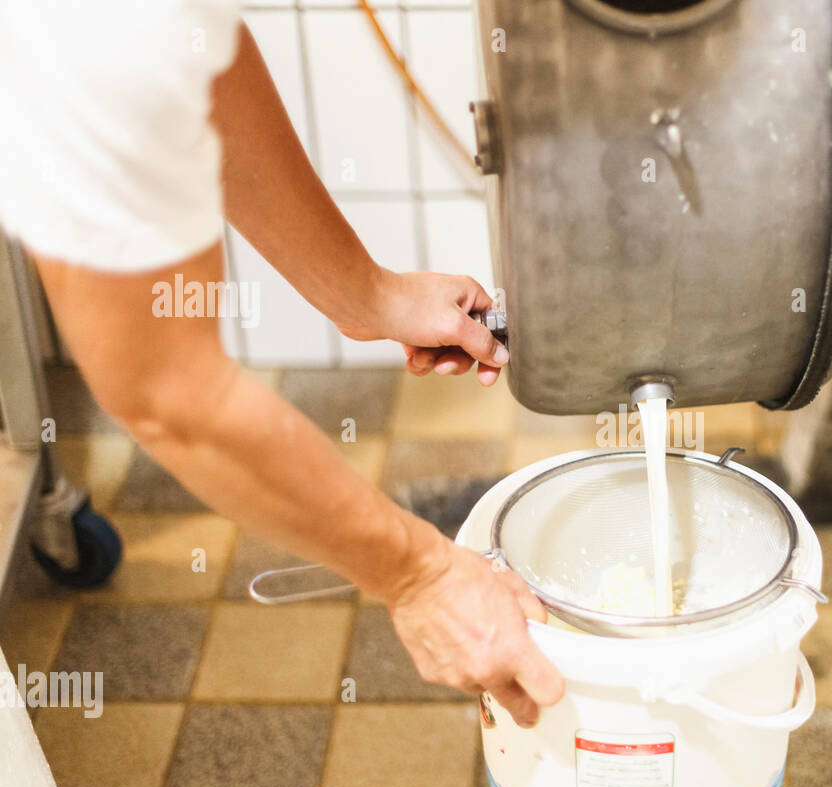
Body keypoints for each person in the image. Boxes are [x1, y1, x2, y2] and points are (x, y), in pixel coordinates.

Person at [0, 1, 564, 727]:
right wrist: (416, 574)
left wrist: (364, 291)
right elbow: (166, 395)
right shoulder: (102, 30)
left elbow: (204, 56)